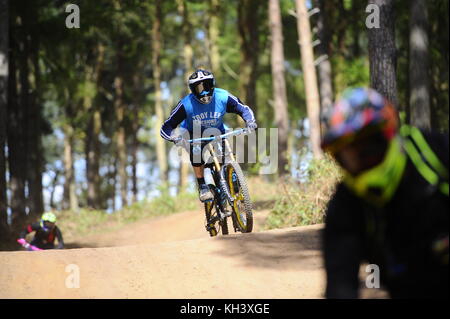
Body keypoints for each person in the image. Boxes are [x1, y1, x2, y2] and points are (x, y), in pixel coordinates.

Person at [321, 87, 448, 299]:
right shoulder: (346, 205)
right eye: (348, 156)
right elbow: (339, 285)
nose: (361, 161)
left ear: (389, 134)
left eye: (367, 147)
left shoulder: (433, 152)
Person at [160, 69, 257, 202]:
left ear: (213, 84)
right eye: (199, 88)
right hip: (193, 133)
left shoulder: (222, 96)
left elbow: (243, 109)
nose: (204, 92)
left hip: (218, 131)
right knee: (196, 151)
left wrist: (250, 121)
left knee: (226, 154)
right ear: (192, 90)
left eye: (207, 86)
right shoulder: (186, 104)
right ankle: (202, 186)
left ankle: (229, 176)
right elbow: (166, 126)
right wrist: (174, 137)